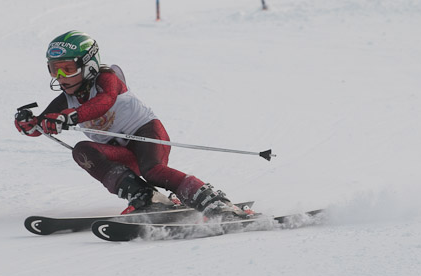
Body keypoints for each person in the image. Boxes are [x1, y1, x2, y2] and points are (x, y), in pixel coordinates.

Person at [14, 30, 248, 217]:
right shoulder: (65, 99)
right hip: (120, 153)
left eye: (68, 69)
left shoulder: (107, 78)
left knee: (154, 171)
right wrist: (30, 124)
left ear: (89, 66)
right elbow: (42, 125)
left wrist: (69, 117)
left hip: (147, 135)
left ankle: (215, 202)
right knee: (82, 150)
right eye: (55, 70)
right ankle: (146, 197)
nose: (61, 77)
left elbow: (103, 102)